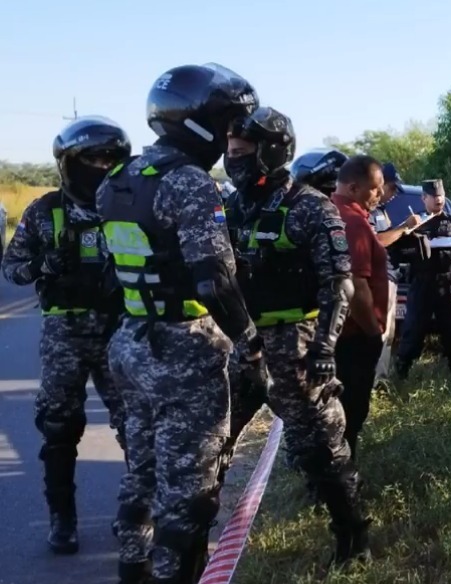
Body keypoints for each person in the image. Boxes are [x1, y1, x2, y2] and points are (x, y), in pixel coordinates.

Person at [97, 62, 271, 584]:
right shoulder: (190, 182)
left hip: (131, 341)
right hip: (184, 348)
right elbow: (214, 280)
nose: (232, 137)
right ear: (203, 124)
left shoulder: (119, 177)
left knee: (142, 474)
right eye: (229, 125)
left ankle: (133, 570)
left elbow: (113, 274)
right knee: (190, 494)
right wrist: (250, 343)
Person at [224, 106, 373, 564]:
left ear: (271, 152)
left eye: (243, 153)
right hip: (244, 344)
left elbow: (339, 283)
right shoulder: (232, 207)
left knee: (321, 450)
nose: (234, 161)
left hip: (297, 345)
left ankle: (354, 540)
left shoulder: (309, 206)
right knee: (213, 437)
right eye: (229, 153)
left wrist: (325, 348)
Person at [1, 116, 131, 556]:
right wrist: (44, 266)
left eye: (109, 159)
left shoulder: (128, 204)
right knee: (59, 427)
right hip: (65, 335)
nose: (101, 166)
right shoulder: (44, 211)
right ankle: (62, 518)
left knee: (135, 425)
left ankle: (135, 514)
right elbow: (12, 269)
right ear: (70, 163)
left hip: (120, 331)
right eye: (92, 158)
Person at [330, 155, 390, 463]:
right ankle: (343, 478)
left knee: (332, 413)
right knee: (351, 411)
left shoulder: (328, 211)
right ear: (354, 187)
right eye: (375, 189)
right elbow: (356, 286)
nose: (380, 196)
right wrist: (373, 331)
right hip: (353, 336)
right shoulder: (351, 221)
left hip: (331, 334)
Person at [393, 179, 451, 382]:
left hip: (447, 283)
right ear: (424, 198)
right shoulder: (415, 222)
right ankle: (401, 373)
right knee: (413, 329)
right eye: (434, 197)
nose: (438, 200)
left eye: (441, 196)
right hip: (421, 283)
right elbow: (399, 250)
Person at [368, 162, 420, 380]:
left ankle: (381, 378)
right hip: (376, 279)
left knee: (388, 334)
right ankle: (373, 380)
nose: (392, 195)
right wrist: (404, 227)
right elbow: (378, 240)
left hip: (389, 274)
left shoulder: (382, 211)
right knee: (377, 332)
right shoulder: (365, 212)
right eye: (391, 189)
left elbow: (390, 239)